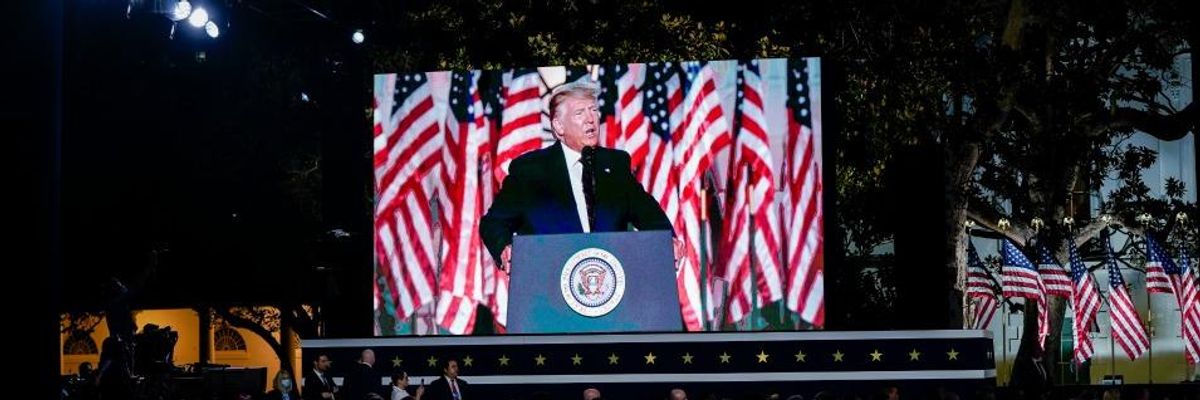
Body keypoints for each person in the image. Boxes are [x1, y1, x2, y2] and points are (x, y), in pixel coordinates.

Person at [479, 81, 681, 270]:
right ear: (559, 126)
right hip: (549, 278)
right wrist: (504, 248)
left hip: (610, 279)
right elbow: (494, 223)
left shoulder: (615, 164)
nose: (590, 119)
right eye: (579, 113)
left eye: (593, 110)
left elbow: (648, 214)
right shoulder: (530, 170)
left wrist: (667, 240)